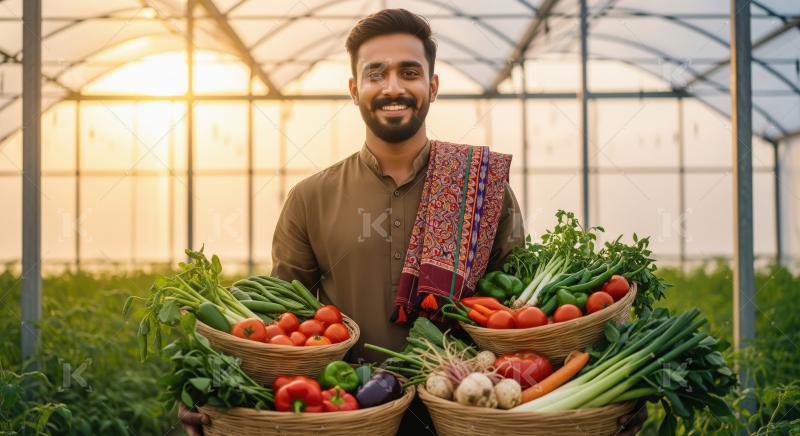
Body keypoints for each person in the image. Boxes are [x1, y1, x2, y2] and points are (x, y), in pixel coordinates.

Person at [180, 8, 645, 435]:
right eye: (375, 73)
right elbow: (277, 330)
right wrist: (218, 393)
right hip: (348, 414)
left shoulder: (483, 189)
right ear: (354, 88)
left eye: (409, 72)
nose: (392, 87)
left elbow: (528, 320)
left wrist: (596, 392)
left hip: (473, 412)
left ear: (433, 86)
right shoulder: (310, 198)